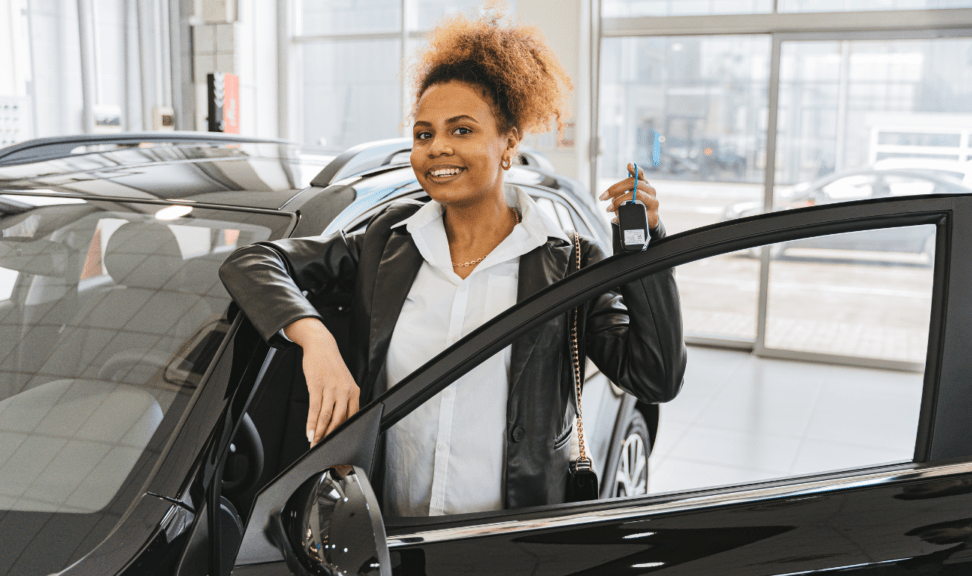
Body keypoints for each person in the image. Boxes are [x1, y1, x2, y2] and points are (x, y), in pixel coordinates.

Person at [218, 6, 684, 517]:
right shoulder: (384, 243)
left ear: (509, 141)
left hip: (508, 540)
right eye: (424, 134)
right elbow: (255, 262)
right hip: (387, 533)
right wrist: (315, 340)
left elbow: (655, 376)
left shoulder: (569, 262)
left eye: (462, 130)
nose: (438, 148)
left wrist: (647, 248)